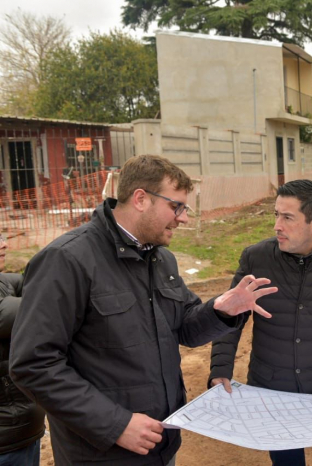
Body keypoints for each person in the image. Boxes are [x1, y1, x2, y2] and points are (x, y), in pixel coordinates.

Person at [10, 155, 278, 466]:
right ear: (140, 199)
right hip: (102, 455)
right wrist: (115, 424)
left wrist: (221, 310)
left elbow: (185, 328)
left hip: (162, 445)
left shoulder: (161, 260)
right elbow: (33, 364)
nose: (183, 218)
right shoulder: (67, 260)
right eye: (176, 206)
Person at [209, 179, 312, 466]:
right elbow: (230, 315)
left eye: (287, 217)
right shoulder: (256, 258)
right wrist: (219, 368)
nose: (277, 225)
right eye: (276, 214)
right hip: (273, 390)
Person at [0, 236, 45, 466]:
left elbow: (35, 281)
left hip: (20, 432)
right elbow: (42, 305)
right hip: (7, 442)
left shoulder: (2, 282)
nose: (4, 244)